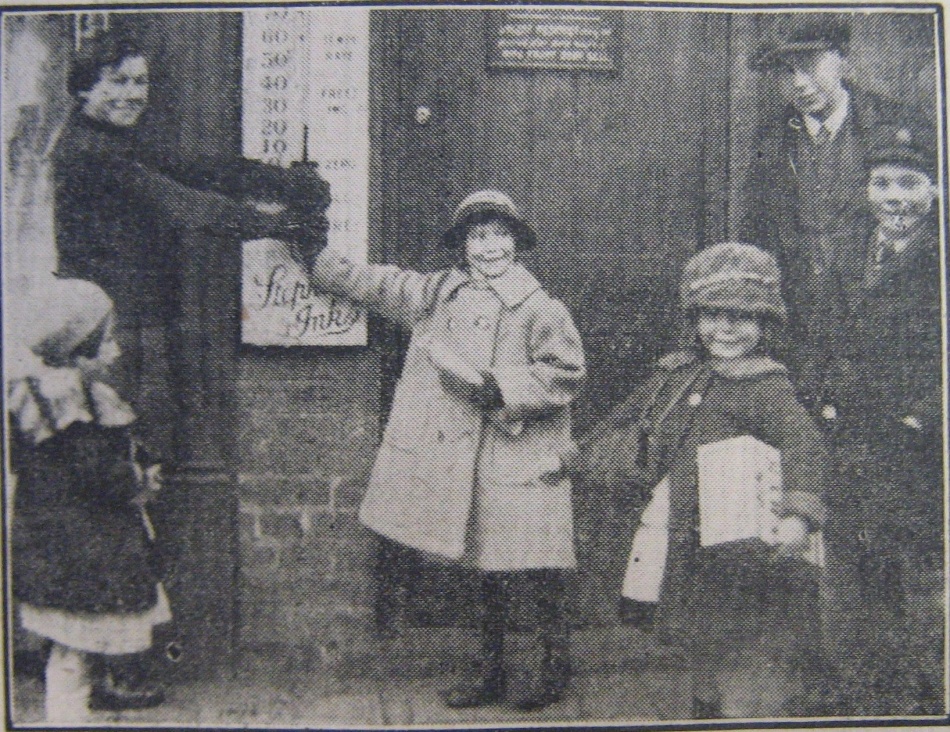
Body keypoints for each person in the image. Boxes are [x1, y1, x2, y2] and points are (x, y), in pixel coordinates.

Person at [310, 190, 585, 711]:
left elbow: (565, 373)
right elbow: (376, 283)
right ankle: (491, 669)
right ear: (461, 246)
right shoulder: (438, 293)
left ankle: (553, 666)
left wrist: (500, 387)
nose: (489, 248)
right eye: (477, 237)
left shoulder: (541, 307)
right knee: (485, 570)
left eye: (499, 235)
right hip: (468, 462)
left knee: (537, 569)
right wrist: (314, 254)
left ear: (517, 244)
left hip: (523, 457)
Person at [574, 243, 828, 718]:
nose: (726, 329)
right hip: (667, 518)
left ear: (765, 325)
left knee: (720, 619)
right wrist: (581, 451)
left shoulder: (766, 387)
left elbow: (804, 446)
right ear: (694, 319)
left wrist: (797, 513)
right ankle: (704, 694)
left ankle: (724, 702)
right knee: (682, 614)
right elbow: (628, 416)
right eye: (713, 315)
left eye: (742, 317)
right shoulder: (678, 372)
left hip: (721, 532)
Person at [53, 31, 327, 465]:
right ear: (85, 86)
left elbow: (193, 170)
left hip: (126, 320)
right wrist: (284, 224)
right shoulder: (90, 151)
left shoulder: (115, 140)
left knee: (132, 449)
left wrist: (278, 180)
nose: (132, 95)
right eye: (118, 82)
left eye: (139, 82)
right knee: (113, 454)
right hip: (103, 333)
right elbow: (183, 205)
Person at [821, 123, 944, 714]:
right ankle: (860, 690)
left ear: (936, 189)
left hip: (918, 442)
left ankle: (927, 693)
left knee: (917, 565)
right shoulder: (847, 247)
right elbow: (829, 332)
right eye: (882, 184)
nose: (895, 198)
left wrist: (927, 416)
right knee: (851, 560)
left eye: (910, 183)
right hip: (851, 433)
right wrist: (825, 397)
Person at [8, 278, 171, 721]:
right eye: (107, 338)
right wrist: (141, 480)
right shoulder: (82, 405)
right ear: (80, 344)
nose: (115, 350)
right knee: (72, 657)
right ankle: (67, 716)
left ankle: (80, 701)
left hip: (52, 546)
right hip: (88, 554)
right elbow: (104, 476)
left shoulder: (31, 394)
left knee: (69, 650)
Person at [741, 15, 914, 408]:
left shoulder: (896, 123)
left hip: (878, 322)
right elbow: (755, 232)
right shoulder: (770, 137)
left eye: (810, 65)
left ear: (841, 59)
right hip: (799, 329)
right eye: (785, 72)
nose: (799, 84)